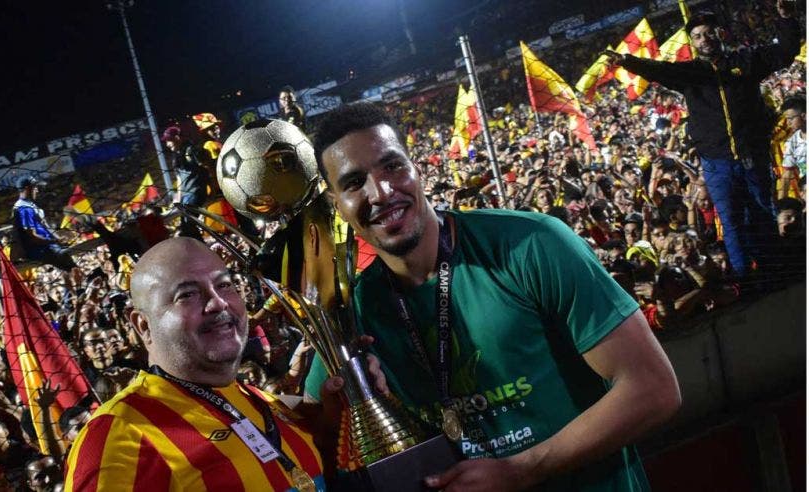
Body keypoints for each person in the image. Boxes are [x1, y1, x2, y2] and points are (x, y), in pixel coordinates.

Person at [306, 102, 681, 491]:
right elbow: (314, 445)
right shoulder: (352, 314)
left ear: (416, 168)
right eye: (353, 183)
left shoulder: (532, 245)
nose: (381, 191)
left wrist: (523, 468)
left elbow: (654, 388)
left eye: (392, 166)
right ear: (336, 205)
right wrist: (350, 403)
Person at [65, 238, 348, 491]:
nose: (217, 303)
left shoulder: (263, 402)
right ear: (143, 325)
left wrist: (335, 421)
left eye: (225, 285)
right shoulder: (119, 437)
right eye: (187, 294)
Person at [604, 1, 801, 276]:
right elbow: (660, 70)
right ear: (693, 43)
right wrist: (628, 61)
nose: (703, 39)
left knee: (761, 214)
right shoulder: (690, 73)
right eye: (697, 36)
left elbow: (785, 52)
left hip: (752, 156)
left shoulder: (746, 61)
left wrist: (786, 18)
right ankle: (746, 279)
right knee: (731, 222)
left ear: (720, 34)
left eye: (708, 33)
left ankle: (774, 273)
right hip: (717, 164)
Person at [11, 175, 77, 271]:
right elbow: (32, 237)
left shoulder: (31, 205)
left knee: (71, 267)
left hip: (47, 246)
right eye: (35, 187)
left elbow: (46, 227)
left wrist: (59, 239)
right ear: (27, 188)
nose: (37, 190)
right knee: (72, 267)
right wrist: (54, 241)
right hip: (38, 249)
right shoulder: (23, 208)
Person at [779, 95, 806, 200]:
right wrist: (782, 203)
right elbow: (786, 175)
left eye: (791, 118)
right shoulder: (791, 142)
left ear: (804, 116)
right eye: (786, 119)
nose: (788, 123)